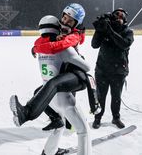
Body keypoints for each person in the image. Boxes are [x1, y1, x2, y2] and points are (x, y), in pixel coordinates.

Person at [35, 14, 92, 155]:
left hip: (48, 94)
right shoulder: (62, 46)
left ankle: (49, 152)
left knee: (59, 125)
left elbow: (40, 45)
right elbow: (86, 67)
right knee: (83, 130)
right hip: (63, 93)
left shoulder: (41, 47)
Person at [91, 8, 134, 129]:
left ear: (125, 19)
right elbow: (94, 45)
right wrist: (99, 30)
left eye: (122, 15)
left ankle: (116, 118)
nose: (119, 17)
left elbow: (124, 44)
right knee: (100, 97)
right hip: (102, 70)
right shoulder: (105, 30)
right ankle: (97, 118)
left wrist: (110, 32)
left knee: (116, 97)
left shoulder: (128, 32)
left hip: (118, 71)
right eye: (116, 15)